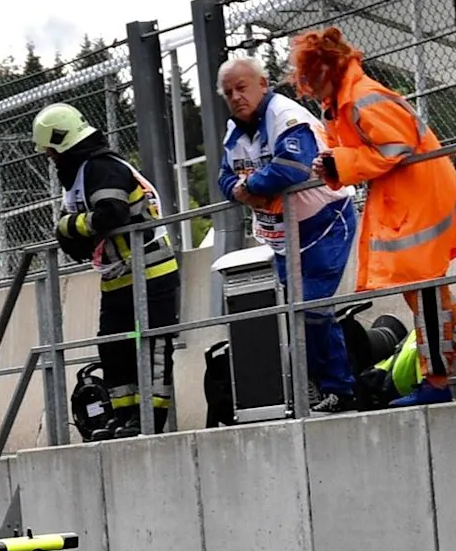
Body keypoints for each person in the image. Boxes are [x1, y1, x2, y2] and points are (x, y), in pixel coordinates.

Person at [290, 28, 456, 393]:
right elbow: (361, 153)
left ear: (328, 69)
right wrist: (333, 164)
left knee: (424, 290)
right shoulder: (343, 103)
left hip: (419, 199)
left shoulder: (361, 98)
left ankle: (437, 382)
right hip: (408, 199)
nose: (307, 87)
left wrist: (337, 162)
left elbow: (396, 147)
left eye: (309, 77)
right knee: (423, 291)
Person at [214, 56, 357, 411]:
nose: (235, 97)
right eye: (228, 92)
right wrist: (241, 190)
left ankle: (336, 388)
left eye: (242, 88)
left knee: (310, 307)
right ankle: (319, 387)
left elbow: (292, 167)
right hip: (280, 233)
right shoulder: (234, 132)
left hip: (324, 220)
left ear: (263, 84)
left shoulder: (285, 116)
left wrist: (249, 187)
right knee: (295, 311)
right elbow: (223, 176)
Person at [34, 102, 182, 438]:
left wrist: (72, 226)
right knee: (114, 348)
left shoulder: (103, 168)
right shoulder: (77, 179)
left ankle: (150, 421)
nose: (51, 159)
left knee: (152, 346)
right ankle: (124, 417)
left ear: (62, 144)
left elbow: (110, 214)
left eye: (50, 152)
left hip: (151, 270)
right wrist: (73, 230)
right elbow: (71, 240)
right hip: (116, 277)